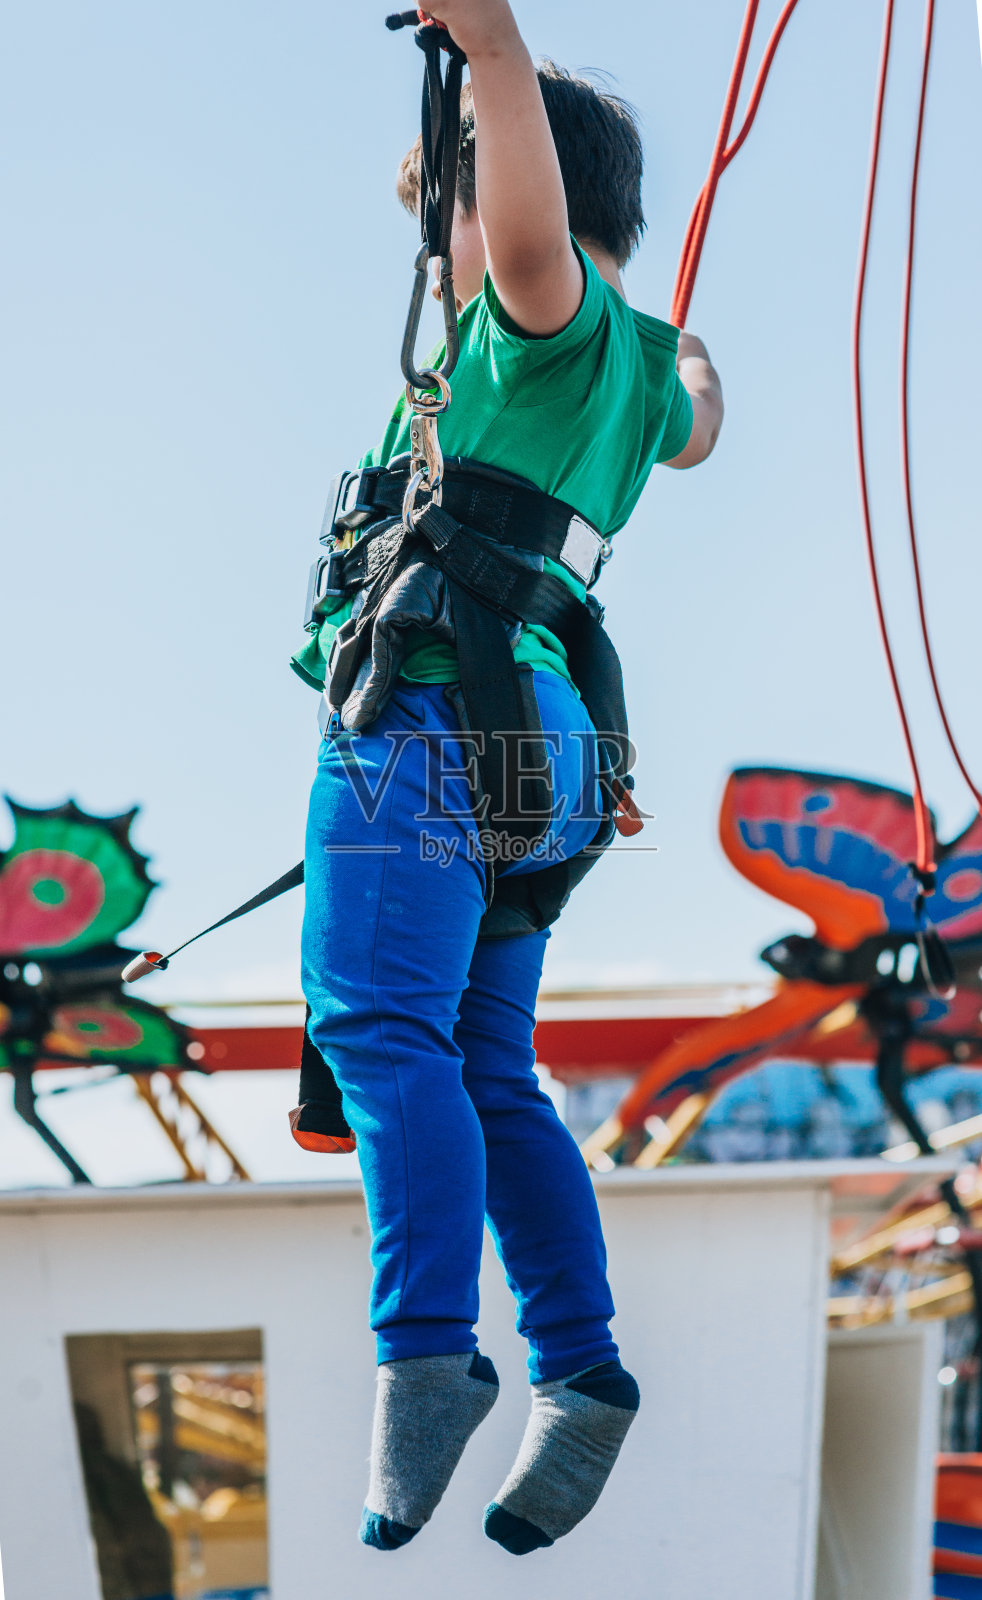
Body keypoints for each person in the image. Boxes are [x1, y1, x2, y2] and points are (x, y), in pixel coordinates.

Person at [291, 0, 723, 1557]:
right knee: (485, 1070)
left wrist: (492, 54)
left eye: (446, 223)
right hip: (540, 755)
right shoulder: (638, 379)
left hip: (422, 727)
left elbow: (527, 244)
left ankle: (424, 1356)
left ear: (505, 205)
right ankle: (582, 1371)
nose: (447, 264)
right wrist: (685, 348)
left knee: (376, 1030)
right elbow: (700, 424)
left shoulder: (535, 323)